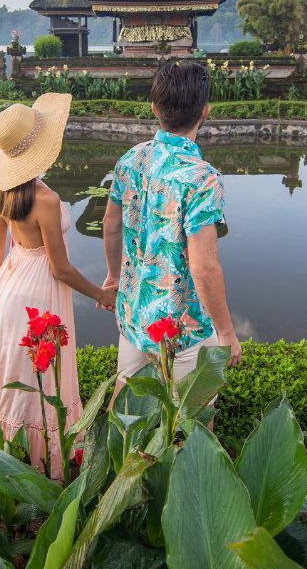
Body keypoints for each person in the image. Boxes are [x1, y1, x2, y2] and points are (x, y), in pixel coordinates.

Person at [0, 92, 115, 479]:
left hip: (9, 285)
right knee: (42, 378)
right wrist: (100, 294)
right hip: (40, 291)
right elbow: (60, 268)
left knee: (5, 370)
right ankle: (40, 469)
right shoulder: (45, 198)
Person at [101, 61, 242, 386]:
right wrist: (226, 331)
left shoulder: (131, 160)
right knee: (192, 424)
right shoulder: (202, 179)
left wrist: (113, 276)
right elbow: (204, 266)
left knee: (125, 412)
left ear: (154, 108)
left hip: (135, 312)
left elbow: (111, 224)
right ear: (205, 112)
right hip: (184, 325)